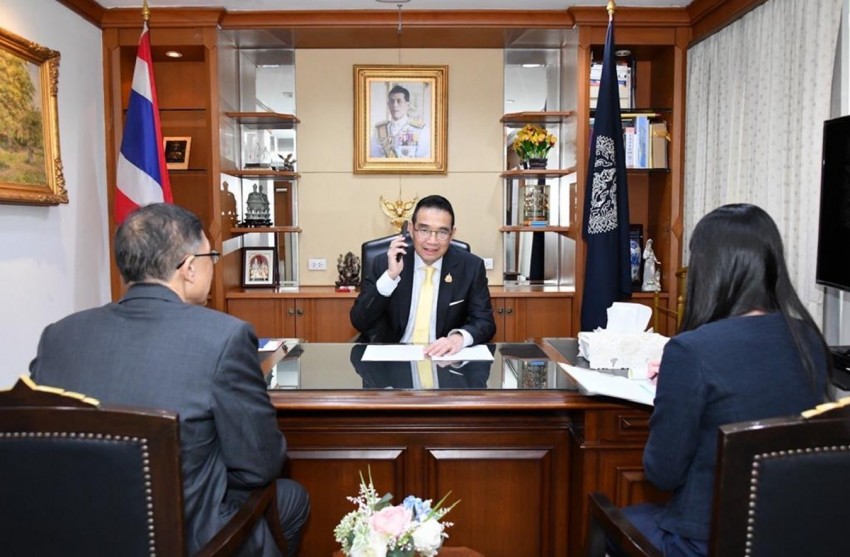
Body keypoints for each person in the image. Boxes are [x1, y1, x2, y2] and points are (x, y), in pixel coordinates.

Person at [29, 203, 309, 557]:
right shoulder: (223, 337)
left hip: (73, 535)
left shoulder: (59, 336)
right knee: (291, 497)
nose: (213, 265)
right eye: (211, 256)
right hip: (183, 540)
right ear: (189, 267)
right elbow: (260, 465)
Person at [615, 204, 831, 557]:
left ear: (710, 269)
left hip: (704, 541)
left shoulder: (691, 351)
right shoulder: (809, 339)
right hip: (789, 535)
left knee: (613, 521)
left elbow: (662, 473)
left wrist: (671, 391)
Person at [350, 194, 496, 357]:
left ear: (452, 233)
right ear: (411, 229)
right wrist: (390, 276)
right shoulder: (385, 263)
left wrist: (458, 338)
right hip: (393, 359)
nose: (432, 241)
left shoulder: (470, 267)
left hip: (444, 359)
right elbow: (360, 321)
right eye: (424, 230)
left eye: (442, 232)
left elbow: (484, 322)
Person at [370, 84, 430, 159]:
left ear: (407, 105)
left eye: (399, 101)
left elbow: (423, 161)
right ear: (388, 105)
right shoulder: (379, 130)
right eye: (392, 101)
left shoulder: (420, 130)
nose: (395, 105)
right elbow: (373, 158)